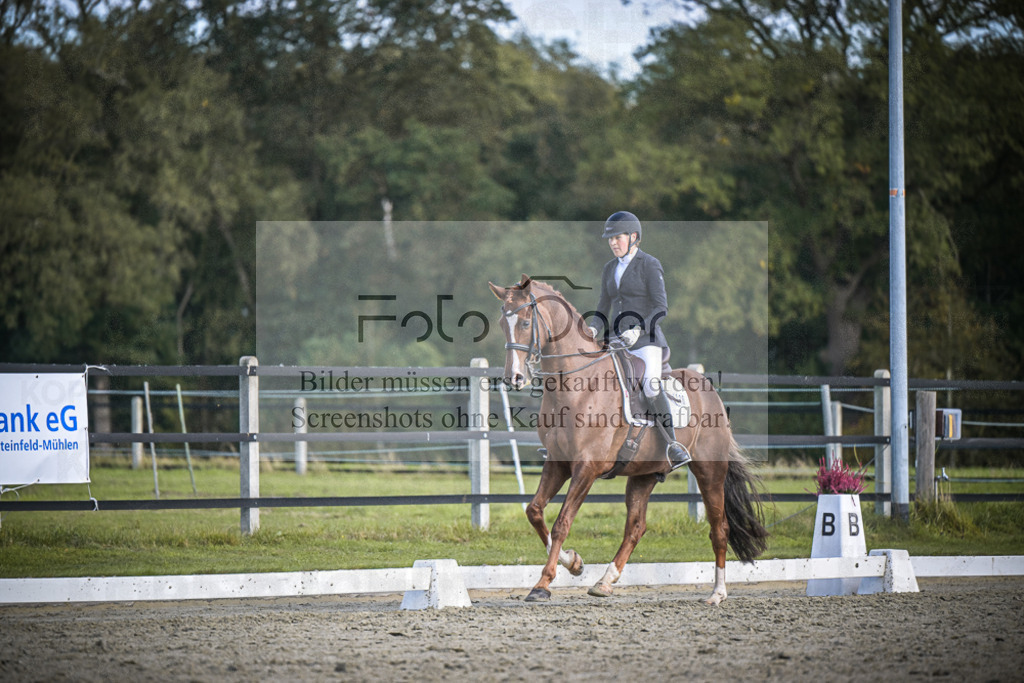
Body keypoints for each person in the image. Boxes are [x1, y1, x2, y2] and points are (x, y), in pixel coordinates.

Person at [588, 211, 690, 470]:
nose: (612, 242)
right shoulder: (609, 268)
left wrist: (638, 329)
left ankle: (672, 445)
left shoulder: (649, 264)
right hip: (616, 341)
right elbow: (603, 305)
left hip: (647, 341)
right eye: (609, 239)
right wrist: (592, 328)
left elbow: (661, 307)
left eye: (617, 237)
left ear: (633, 237)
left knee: (651, 386)